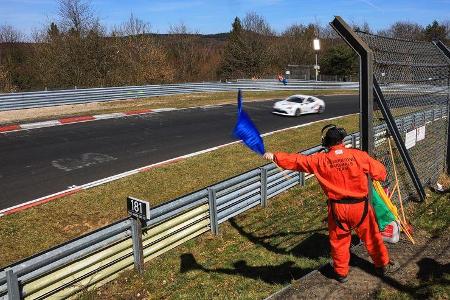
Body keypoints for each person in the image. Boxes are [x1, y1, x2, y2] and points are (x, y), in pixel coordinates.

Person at [263, 124, 399, 283]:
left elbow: (298, 161)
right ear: (342, 140)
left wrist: (275, 156)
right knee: (371, 236)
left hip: (337, 208)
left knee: (339, 241)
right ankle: (382, 265)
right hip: (360, 207)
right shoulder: (358, 156)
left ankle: (341, 273)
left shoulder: (320, 160)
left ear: (326, 142)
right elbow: (381, 173)